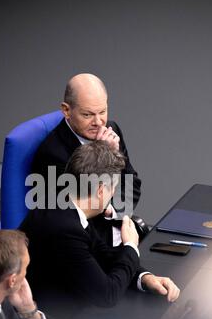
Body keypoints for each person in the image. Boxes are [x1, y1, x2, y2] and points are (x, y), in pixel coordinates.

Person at [20, 141, 180, 319]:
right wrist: (130, 246)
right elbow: (107, 295)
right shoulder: (66, 230)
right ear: (101, 190)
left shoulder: (66, 203)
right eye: (113, 188)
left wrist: (144, 278)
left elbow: (103, 255)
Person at [31, 73, 144, 245]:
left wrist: (116, 212)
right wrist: (104, 153)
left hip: (122, 229)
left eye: (102, 112)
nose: (98, 122)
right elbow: (79, 212)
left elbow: (132, 184)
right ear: (66, 110)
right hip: (90, 243)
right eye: (87, 115)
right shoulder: (52, 154)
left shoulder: (111, 129)